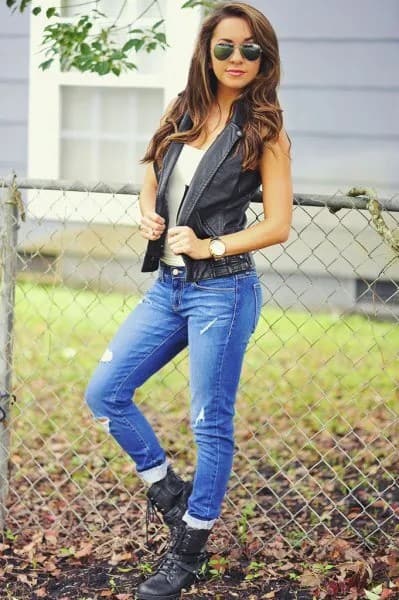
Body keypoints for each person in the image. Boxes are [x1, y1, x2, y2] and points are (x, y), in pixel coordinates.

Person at [84, 2, 293, 598]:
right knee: (104, 392)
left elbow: (279, 224)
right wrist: (149, 212)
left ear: (264, 58)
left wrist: (211, 244)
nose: (236, 58)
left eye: (250, 49)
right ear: (207, 50)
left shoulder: (266, 130)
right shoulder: (183, 109)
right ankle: (169, 492)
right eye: (225, 46)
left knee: (210, 423)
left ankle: (189, 548)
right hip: (168, 289)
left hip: (223, 292)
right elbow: (153, 170)